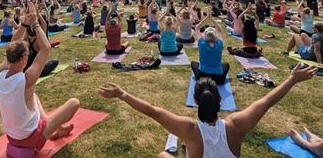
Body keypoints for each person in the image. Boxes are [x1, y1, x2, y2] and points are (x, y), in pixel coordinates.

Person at [98, 64, 317, 158]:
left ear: (195, 100)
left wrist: (122, 94)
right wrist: (292, 79)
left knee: (163, 155)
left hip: (192, 136)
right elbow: (268, 100)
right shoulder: (236, 125)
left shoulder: (189, 129)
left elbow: (153, 111)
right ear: (220, 100)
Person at [0, 3, 80, 152]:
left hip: (12, 137)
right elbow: (46, 48)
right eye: (27, 55)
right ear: (23, 59)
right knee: (74, 103)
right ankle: (51, 128)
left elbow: (14, 43)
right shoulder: (26, 79)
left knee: (33, 96)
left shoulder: (1, 73)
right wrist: (34, 23)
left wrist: (24, 24)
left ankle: (56, 129)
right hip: (31, 140)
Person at [191, 8, 229, 85]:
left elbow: (197, 27)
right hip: (218, 79)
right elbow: (220, 30)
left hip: (202, 77)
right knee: (226, 65)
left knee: (193, 63)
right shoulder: (219, 43)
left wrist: (206, 18)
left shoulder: (201, 42)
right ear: (215, 36)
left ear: (205, 35)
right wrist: (211, 19)